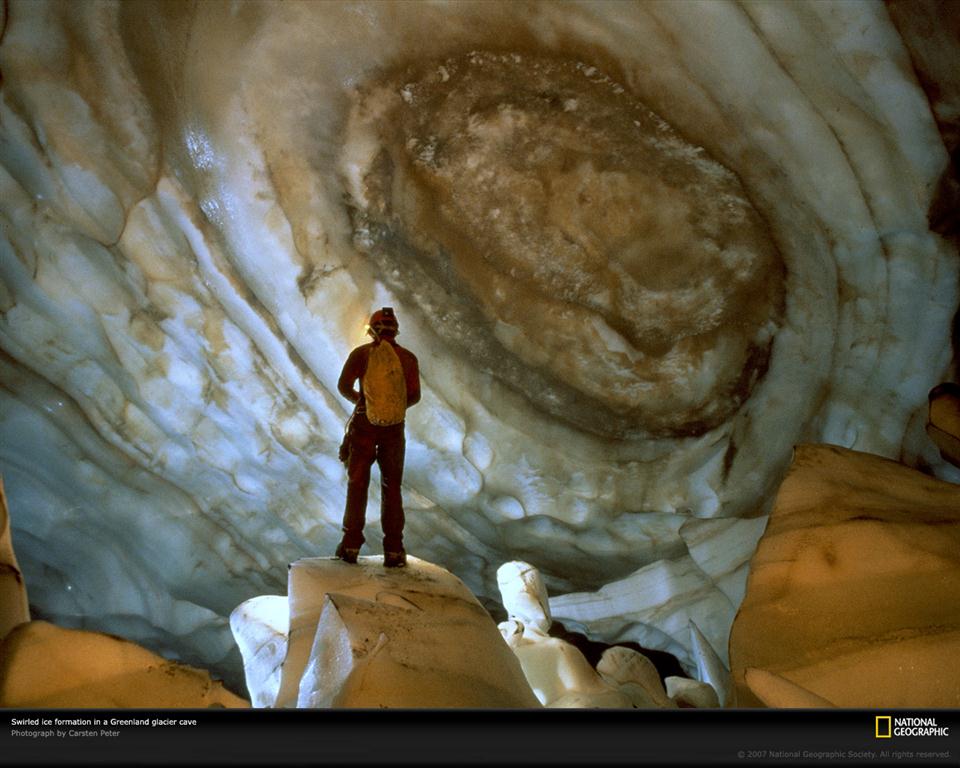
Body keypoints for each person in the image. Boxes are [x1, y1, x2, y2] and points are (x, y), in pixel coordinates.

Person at [335, 307, 420, 567]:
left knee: (357, 484)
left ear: (373, 329)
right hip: (394, 431)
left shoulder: (362, 354)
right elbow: (415, 395)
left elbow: (343, 385)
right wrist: (392, 409)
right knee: (391, 487)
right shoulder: (408, 358)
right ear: (395, 330)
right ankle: (394, 548)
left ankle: (351, 544)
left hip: (364, 427)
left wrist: (365, 403)